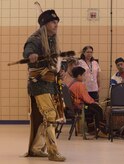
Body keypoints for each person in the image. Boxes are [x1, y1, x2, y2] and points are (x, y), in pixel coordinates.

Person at [23, 9, 65, 161]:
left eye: (57, 22)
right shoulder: (35, 38)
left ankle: (36, 148)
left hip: (51, 83)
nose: (56, 25)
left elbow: (58, 60)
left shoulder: (53, 39)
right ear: (45, 24)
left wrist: (62, 70)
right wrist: (30, 55)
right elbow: (28, 50)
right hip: (38, 83)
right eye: (53, 22)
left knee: (44, 117)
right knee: (50, 114)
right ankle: (53, 152)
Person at [68, 67, 107, 136]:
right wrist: (94, 102)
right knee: (98, 109)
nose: (84, 76)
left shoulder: (72, 84)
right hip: (81, 106)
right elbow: (86, 98)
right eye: (83, 75)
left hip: (76, 106)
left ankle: (91, 129)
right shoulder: (80, 85)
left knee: (94, 108)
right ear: (79, 76)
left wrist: (92, 102)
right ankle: (100, 130)